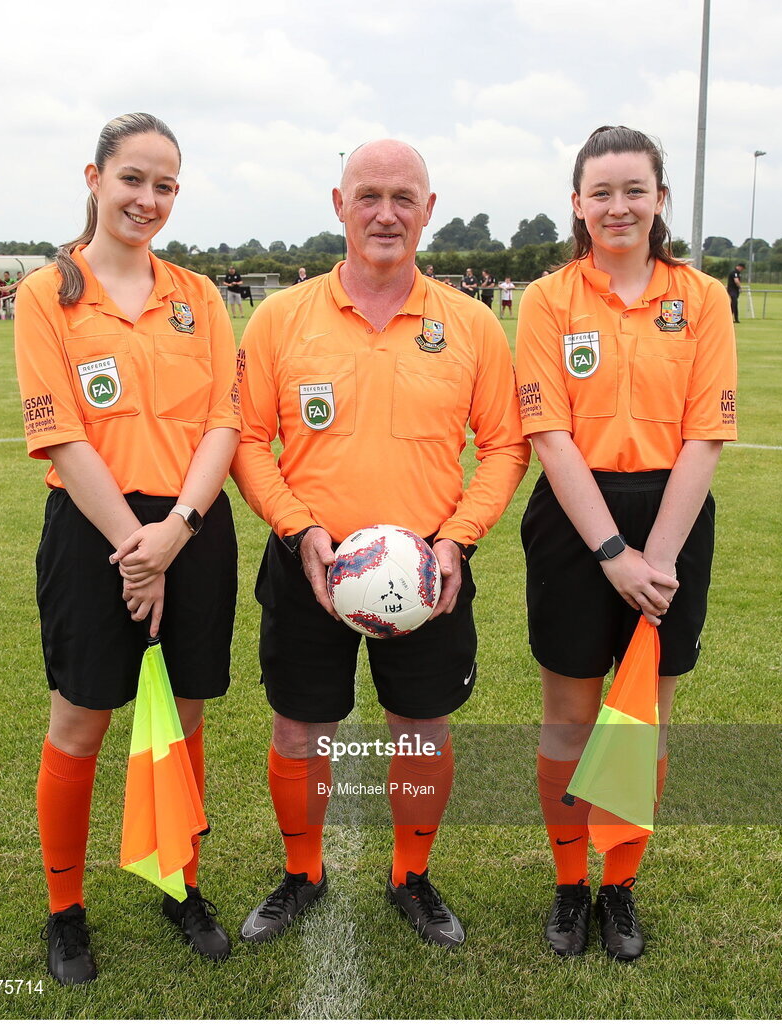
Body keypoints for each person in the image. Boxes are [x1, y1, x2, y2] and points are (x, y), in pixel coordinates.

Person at [231, 139, 529, 950]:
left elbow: (505, 445)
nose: (385, 212)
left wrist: (459, 543)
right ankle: (301, 874)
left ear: (428, 210)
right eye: (368, 195)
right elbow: (248, 440)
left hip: (426, 568)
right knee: (298, 730)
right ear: (338, 204)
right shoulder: (280, 318)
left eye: (404, 196)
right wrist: (300, 530)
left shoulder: (469, 323)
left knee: (421, 731)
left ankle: (411, 874)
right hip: (309, 561)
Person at [14, 112, 240, 986]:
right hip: (93, 531)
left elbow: (224, 418)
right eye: (132, 179)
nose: (147, 199)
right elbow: (62, 435)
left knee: (182, 715)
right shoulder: (48, 295)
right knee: (82, 717)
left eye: (165, 185)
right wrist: (132, 550)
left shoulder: (199, 295)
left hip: (190, 528)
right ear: (94, 178)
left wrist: (174, 533)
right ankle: (64, 909)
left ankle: (178, 879)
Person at [515, 125, 737, 962]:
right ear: (575, 204)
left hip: (672, 519)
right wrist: (613, 555)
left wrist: (660, 558)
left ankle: (619, 886)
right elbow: (547, 434)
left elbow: (705, 437)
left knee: (640, 720)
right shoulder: (545, 300)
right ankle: (570, 886)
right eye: (599, 192)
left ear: (659, 199)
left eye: (633, 189)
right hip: (576, 523)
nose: (617, 206)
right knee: (569, 718)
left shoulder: (702, 297)